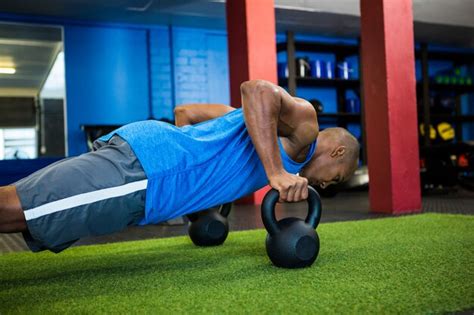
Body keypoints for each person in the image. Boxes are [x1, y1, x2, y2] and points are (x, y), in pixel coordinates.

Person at [0, 80, 359, 253]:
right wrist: (275, 173)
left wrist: (197, 199)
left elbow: (184, 113)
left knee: (28, 215)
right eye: (335, 180)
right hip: (145, 172)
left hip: (148, 179)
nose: (325, 187)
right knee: (18, 209)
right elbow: (257, 90)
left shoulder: (249, 123)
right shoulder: (305, 129)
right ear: (339, 153)